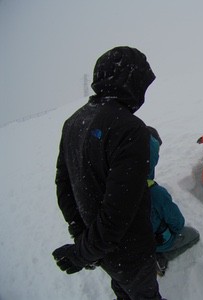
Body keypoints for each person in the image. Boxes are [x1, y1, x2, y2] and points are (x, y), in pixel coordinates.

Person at [52, 46, 164, 300]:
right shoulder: (130, 128)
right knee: (144, 294)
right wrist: (83, 252)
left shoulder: (74, 121)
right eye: (141, 85)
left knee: (123, 287)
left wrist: (82, 237)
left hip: (102, 247)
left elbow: (64, 186)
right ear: (129, 81)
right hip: (129, 249)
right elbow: (118, 212)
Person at [147, 126, 200, 276]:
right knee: (193, 235)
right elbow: (178, 223)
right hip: (156, 241)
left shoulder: (117, 183)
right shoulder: (155, 193)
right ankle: (160, 257)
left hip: (132, 241)